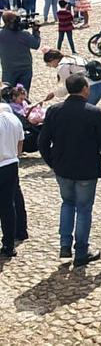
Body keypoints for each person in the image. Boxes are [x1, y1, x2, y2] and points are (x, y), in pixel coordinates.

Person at [38, 74, 101, 266]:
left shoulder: (54, 110)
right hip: (87, 169)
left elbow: (43, 141)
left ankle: (65, 244)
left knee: (67, 203)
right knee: (83, 209)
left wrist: (52, 162)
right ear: (84, 89)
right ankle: (81, 250)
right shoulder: (95, 112)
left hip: (63, 168)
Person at [0, 95, 24, 257]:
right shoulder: (13, 119)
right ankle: (9, 244)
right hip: (11, 164)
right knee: (8, 206)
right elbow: (20, 147)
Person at [0, 11, 40, 90]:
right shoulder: (24, 34)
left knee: (7, 93)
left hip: (8, 69)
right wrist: (36, 32)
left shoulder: (1, 34)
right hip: (25, 68)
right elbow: (36, 45)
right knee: (22, 94)